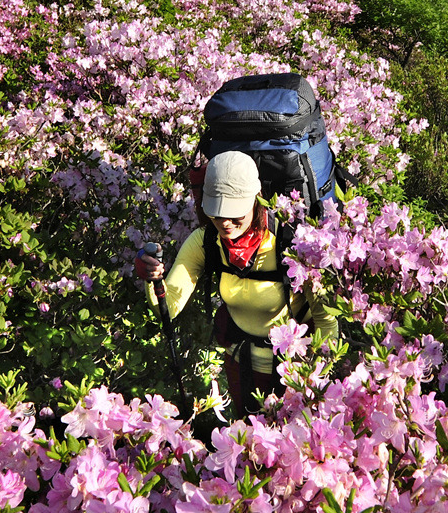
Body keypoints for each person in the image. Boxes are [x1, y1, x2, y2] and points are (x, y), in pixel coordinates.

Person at [135, 151, 338, 417]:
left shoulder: (292, 244)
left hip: (293, 368)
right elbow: (170, 306)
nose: (225, 223)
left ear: (256, 200)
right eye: (217, 213)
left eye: (234, 213)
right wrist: (153, 279)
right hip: (239, 362)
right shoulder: (205, 241)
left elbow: (327, 322)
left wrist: (315, 379)